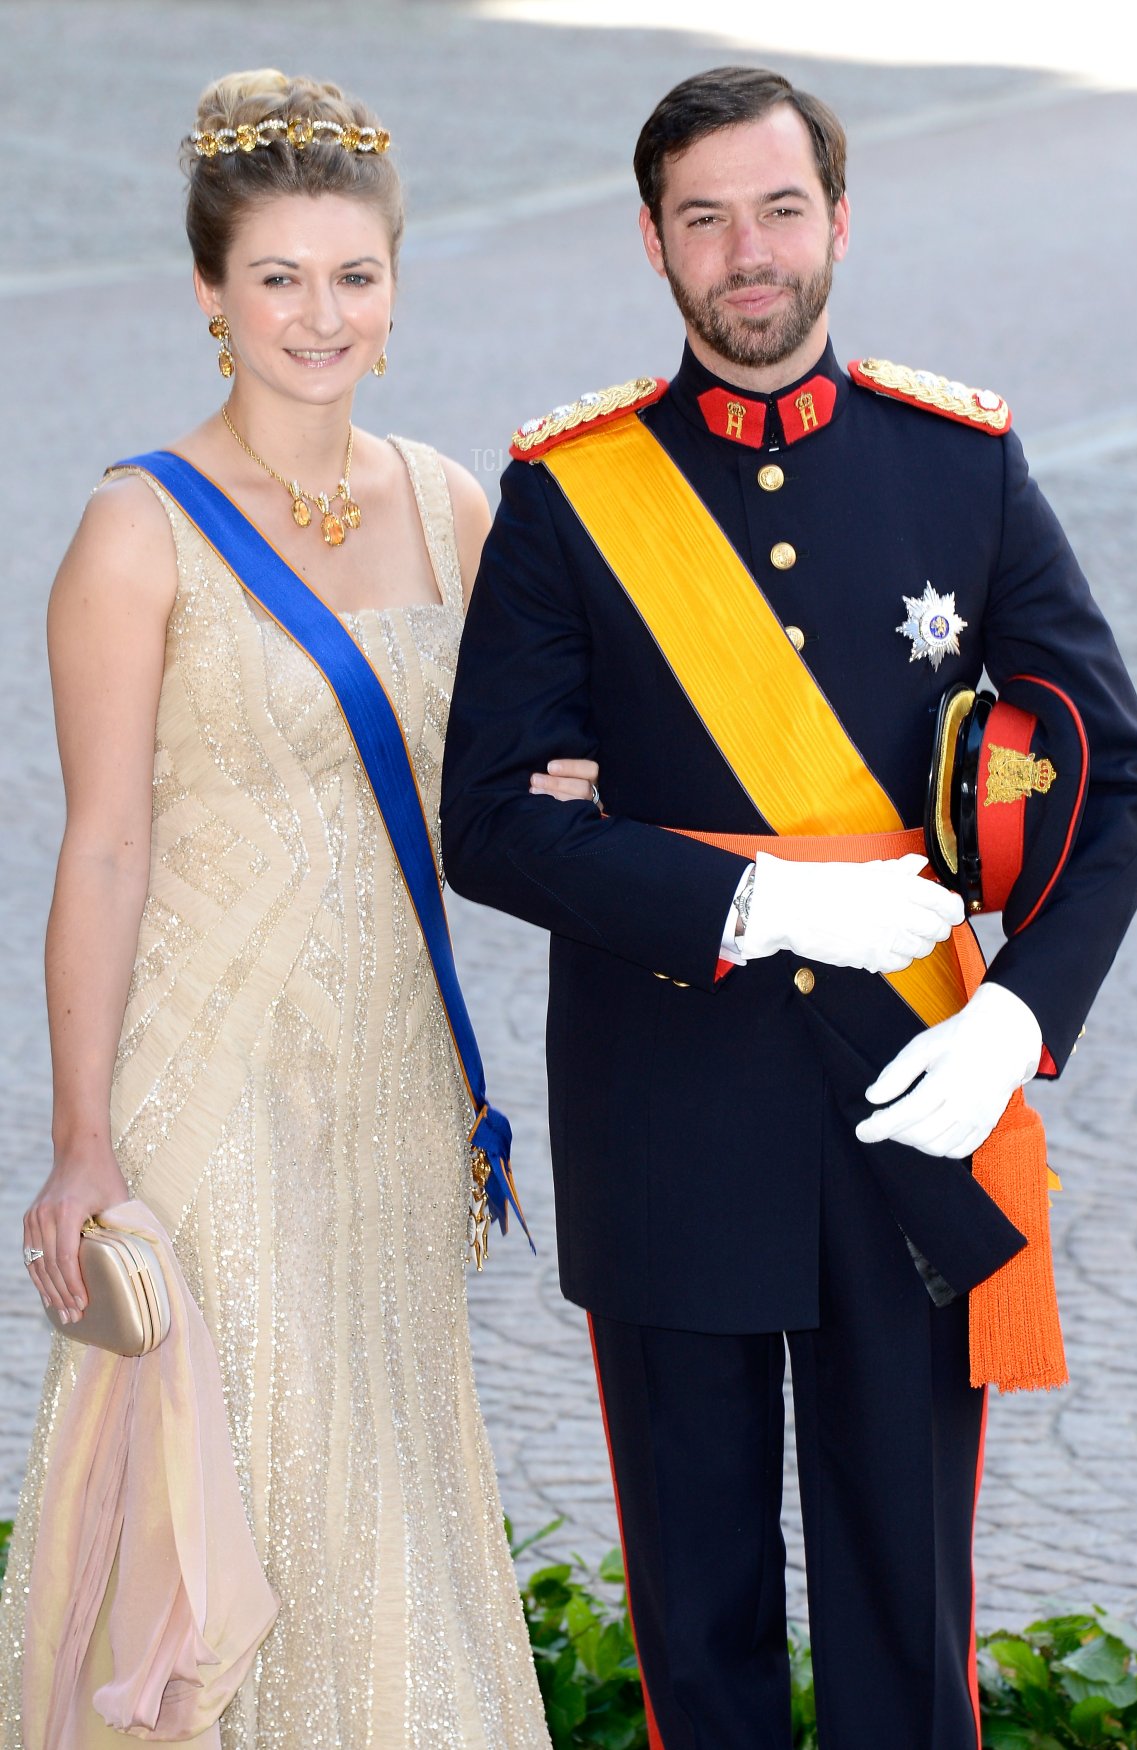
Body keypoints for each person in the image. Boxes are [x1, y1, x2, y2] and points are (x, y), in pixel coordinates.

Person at [440, 65, 1137, 1750]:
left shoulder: (959, 466)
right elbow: (490, 823)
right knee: (698, 1630)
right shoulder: (569, 494)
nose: (746, 253)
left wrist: (1015, 1018)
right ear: (653, 243)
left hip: (913, 1097)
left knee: (903, 1620)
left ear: (841, 220)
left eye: (778, 210)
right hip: (665, 1111)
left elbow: (1122, 780)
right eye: (705, 219)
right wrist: (757, 897)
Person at [0, 67, 598, 1750]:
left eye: (352, 275)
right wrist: (78, 1138)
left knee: (394, 1469)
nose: (317, 315)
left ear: (396, 287)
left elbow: (515, 777)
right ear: (209, 292)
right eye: (276, 277)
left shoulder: (453, 506)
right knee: (250, 1471)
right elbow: (101, 845)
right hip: (210, 1084)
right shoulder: (134, 532)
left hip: (397, 1087)